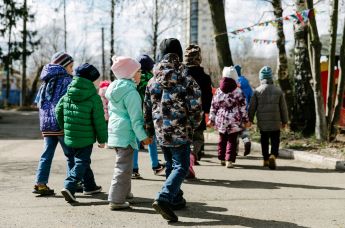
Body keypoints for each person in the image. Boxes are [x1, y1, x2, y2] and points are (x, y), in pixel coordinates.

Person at [144, 38, 203, 222]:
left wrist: (149, 129)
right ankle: (165, 197)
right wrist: (193, 124)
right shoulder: (186, 78)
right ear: (179, 55)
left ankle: (176, 198)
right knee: (182, 166)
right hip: (180, 130)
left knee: (171, 165)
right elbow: (195, 106)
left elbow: (146, 107)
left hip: (161, 130)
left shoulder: (153, 80)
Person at [55, 63, 107, 203]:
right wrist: (102, 139)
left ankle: (90, 186)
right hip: (85, 137)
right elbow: (99, 121)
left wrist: (65, 127)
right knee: (81, 161)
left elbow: (58, 111)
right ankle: (69, 185)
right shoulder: (93, 97)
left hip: (70, 135)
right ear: (90, 80)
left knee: (83, 161)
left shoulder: (68, 93)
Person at [106, 56, 152, 210]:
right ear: (130, 74)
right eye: (138, 71)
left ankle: (125, 193)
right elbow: (136, 120)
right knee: (123, 167)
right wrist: (143, 137)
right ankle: (116, 199)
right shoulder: (131, 93)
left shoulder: (114, 89)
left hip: (115, 132)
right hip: (125, 133)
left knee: (125, 165)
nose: (141, 74)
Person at [32, 51, 74, 196]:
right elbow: (70, 102)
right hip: (61, 124)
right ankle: (72, 183)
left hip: (46, 125)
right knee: (71, 155)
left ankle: (40, 183)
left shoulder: (45, 83)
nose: (72, 70)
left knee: (46, 155)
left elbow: (38, 103)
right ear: (63, 66)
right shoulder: (67, 81)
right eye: (71, 66)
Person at [208, 66, 250, 168]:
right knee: (232, 140)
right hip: (234, 119)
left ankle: (221, 157)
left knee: (222, 139)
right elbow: (243, 107)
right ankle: (229, 160)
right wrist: (246, 120)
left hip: (221, 118)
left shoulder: (218, 91)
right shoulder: (238, 91)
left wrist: (211, 119)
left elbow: (214, 106)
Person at [248, 66, 288, 170]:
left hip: (263, 122)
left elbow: (252, 107)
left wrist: (250, 119)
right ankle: (273, 155)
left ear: (261, 78)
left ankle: (266, 159)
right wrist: (285, 121)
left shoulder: (257, 91)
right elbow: (283, 108)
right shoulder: (278, 91)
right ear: (271, 78)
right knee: (275, 139)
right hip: (275, 121)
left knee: (264, 140)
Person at [132, 54, 165, 179]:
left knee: (135, 141)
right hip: (150, 114)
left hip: (136, 113)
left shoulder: (134, 79)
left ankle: (134, 169)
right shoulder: (154, 79)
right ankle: (155, 165)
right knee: (151, 140)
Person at [184, 44, 213, 163]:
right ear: (199, 59)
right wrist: (207, 110)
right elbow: (208, 95)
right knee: (198, 138)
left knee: (184, 137)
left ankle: (186, 158)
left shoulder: (181, 75)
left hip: (182, 111)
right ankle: (193, 153)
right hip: (198, 112)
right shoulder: (205, 77)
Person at [234, 64, 253, 156]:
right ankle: (246, 141)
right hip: (244, 110)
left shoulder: (232, 83)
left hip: (233, 112)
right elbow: (251, 97)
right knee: (243, 129)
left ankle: (235, 150)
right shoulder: (246, 84)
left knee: (234, 131)